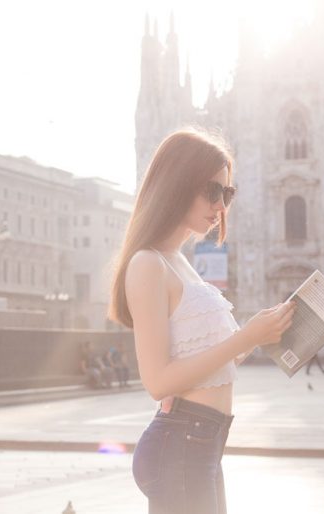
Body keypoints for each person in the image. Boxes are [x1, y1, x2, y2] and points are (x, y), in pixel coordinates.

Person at [109, 129, 296, 514]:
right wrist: (245, 336)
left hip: (201, 444)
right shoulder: (148, 263)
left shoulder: (180, 262)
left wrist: (263, 334)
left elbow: (211, 363)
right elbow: (158, 382)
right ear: (177, 183)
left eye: (227, 194)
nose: (220, 206)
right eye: (212, 191)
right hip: (181, 444)